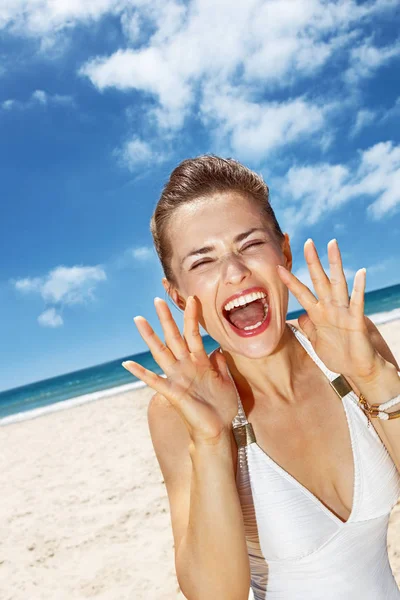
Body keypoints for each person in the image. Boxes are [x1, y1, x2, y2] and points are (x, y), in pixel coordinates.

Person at [122, 155, 400, 599]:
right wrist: (211, 443)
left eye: (249, 244)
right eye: (202, 262)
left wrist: (375, 377)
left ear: (283, 252)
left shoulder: (349, 345)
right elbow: (215, 595)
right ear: (178, 295)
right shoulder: (179, 413)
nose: (234, 272)